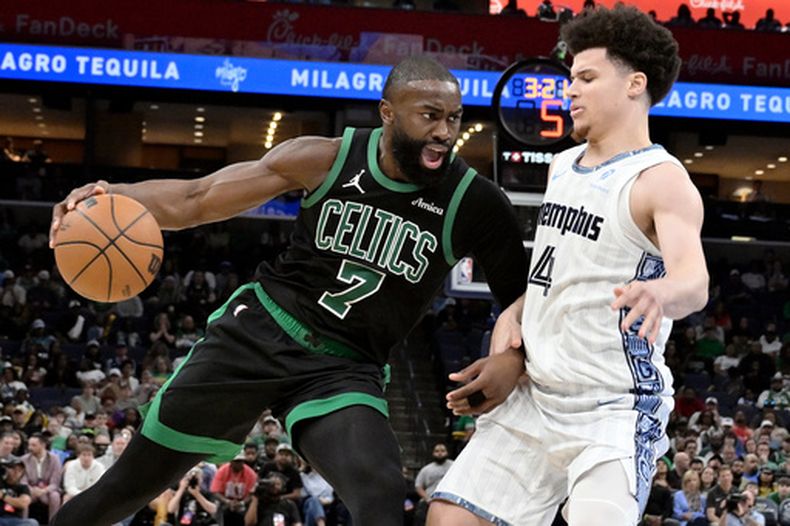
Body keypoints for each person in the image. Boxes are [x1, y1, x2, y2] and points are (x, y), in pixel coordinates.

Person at [48, 55, 527, 526]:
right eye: (430, 116)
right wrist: (110, 196)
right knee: (125, 488)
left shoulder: (475, 202)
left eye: (453, 118)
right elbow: (198, 199)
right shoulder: (325, 157)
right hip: (257, 334)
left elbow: (525, 296)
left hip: (342, 368)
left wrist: (510, 358)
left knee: (380, 489)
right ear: (388, 113)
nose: (445, 131)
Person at [428, 6, 708, 526]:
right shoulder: (562, 165)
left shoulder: (659, 179)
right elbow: (556, 270)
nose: (569, 91)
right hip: (536, 394)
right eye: (570, 78)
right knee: (449, 518)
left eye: (586, 77)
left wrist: (662, 293)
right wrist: (517, 310)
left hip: (611, 407)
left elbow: (694, 281)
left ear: (634, 84)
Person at [21, 434, 62, 522]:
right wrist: (31, 490)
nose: (30, 448)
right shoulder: (24, 460)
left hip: (48, 490)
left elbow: (55, 483)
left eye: (33, 445)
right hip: (31, 489)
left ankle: (53, 522)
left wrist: (43, 491)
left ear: (43, 445)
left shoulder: (54, 459)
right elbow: (23, 480)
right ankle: (23, 522)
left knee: (55, 496)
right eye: (29, 445)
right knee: (23, 495)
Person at [414, 443, 453, 523]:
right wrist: (428, 499)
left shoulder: (454, 466)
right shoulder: (426, 469)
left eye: (442, 451)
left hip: (449, 501)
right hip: (429, 501)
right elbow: (418, 486)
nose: (439, 453)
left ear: (447, 453)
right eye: (437, 451)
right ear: (433, 453)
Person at [0, 456, 38, 526]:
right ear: (7, 469)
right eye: (14, 469)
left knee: (33, 522)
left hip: (15, 520)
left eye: (19, 470)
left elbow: (23, 504)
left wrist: (3, 496)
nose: (16, 472)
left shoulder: (23, 488)